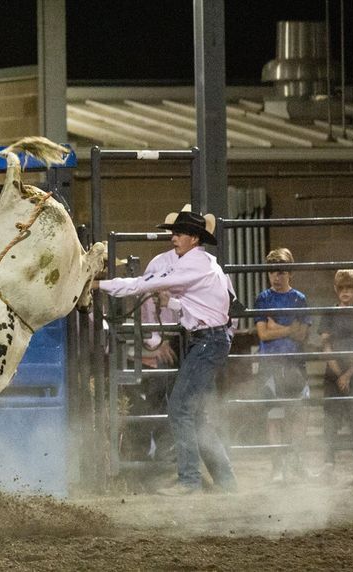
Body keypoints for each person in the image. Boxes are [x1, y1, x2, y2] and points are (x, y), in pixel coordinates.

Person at [99, 204, 238, 495]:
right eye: (174, 232)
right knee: (194, 413)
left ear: (195, 239)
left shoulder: (192, 265)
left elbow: (142, 284)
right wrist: (171, 303)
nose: (174, 237)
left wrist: (99, 284)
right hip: (209, 339)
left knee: (179, 408)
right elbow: (202, 305)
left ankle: (189, 481)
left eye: (181, 233)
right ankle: (225, 480)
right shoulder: (206, 264)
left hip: (206, 341)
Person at [254, 247, 312, 484]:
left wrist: (276, 327)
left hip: (295, 363)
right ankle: (277, 466)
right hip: (271, 363)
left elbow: (303, 334)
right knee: (274, 417)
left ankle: (296, 462)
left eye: (280, 272)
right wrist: (289, 329)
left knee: (298, 415)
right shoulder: (263, 298)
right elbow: (263, 335)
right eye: (272, 273)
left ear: (289, 272)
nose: (276, 277)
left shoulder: (299, 298)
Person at [318, 269, 353, 484]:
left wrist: (348, 374)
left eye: (350, 288)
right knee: (330, 421)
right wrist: (339, 374)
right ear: (336, 290)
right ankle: (328, 467)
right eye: (342, 289)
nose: (346, 293)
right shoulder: (329, 313)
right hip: (333, 373)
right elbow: (325, 345)